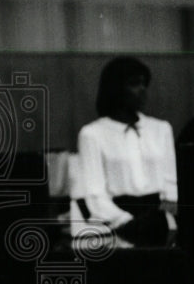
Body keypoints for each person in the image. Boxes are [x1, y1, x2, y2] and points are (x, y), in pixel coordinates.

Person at [76, 57, 178, 247]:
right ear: (115, 89)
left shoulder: (160, 129)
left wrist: (168, 214)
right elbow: (94, 193)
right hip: (119, 227)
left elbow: (170, 183)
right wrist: (126, 222)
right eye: (133, 84)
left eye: (143, 83)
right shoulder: (92, 134)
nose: (142, 90)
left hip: (159, 223)